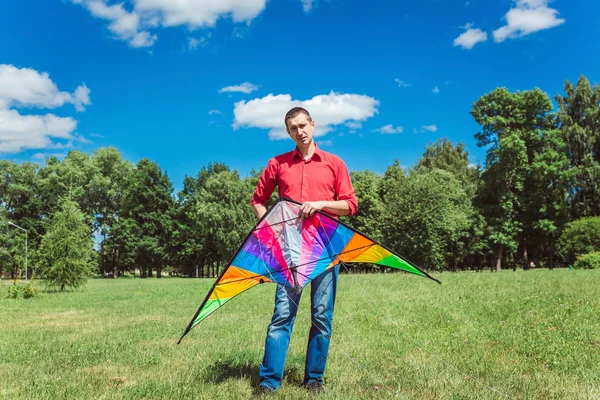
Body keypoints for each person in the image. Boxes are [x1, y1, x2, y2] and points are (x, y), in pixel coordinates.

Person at [250, 107, 358, 394]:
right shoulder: (278, 163)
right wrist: (272, 229)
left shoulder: (334, 163)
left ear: (313, 124)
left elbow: (350, 205)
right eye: (293, 128)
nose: (300, 131)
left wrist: (322, 203)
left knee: (321, 316)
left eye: (303, 125)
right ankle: (269, 382)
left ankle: (314, 380)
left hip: (324, 250)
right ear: (288, 133)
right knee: (282, 315)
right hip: (290, 253)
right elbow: (258, 200)